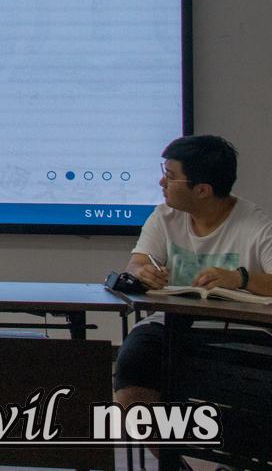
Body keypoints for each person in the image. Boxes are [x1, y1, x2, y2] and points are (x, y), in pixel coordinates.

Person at [113, 134, 272, 410]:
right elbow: (135, 264)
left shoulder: (256, 225)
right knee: (133, 367)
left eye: (170, 176)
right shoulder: (164, 217)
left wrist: (240, 278)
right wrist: (143, 272)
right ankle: (159, 441)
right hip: (170, 323)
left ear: (202, 190)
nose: (162, 182)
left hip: (242, 327)